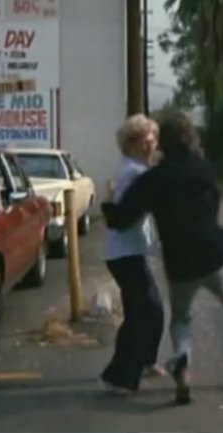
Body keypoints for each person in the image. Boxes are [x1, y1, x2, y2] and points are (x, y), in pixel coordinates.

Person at [102, 112, 223, 405]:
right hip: (215, 255)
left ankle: (183, 368)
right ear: (191, 138)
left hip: (181, 262)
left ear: (164, 144)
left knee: (182, 319)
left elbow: (124, 217)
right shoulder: (205, 169)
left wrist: (110, 208)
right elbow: (213, 206)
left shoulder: (154, 179)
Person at [100, 114, 166, 395]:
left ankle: (146, 362)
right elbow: (129, 210)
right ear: (132, 144)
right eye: (146, 142)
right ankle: (120, 375)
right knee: (146, 312)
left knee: (142, 310)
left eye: (153, 141)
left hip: (125, 251)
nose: (152, 146)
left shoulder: (129, 169)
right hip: (126, 253)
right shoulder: (135, 173)